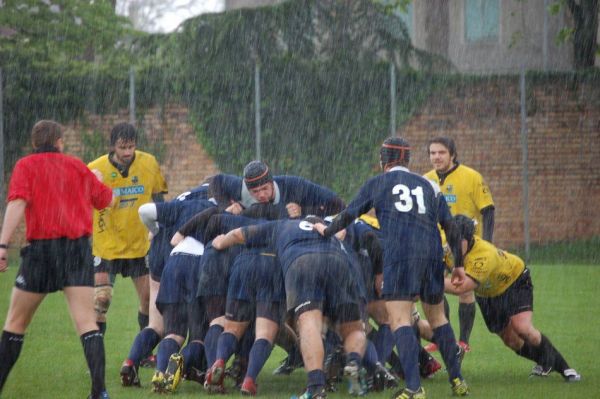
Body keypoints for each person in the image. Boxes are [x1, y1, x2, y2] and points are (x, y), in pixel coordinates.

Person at [314, 136, 469, 399]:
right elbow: (450, 226)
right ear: (407, 160)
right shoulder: (429, 184)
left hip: (400, 253)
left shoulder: (379, 183)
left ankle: (413, 388)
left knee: (398, 319)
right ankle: (458, 381)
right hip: (431, 253)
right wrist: (460, 265)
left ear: (383, 161)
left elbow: (349, 213)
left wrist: (327, 230)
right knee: (438, 318)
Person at [0, 120, 113, 399]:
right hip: (76, 251)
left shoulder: (26, 165)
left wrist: (2, 244)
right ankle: (99, 392)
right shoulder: (77, 166)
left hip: (42, 251)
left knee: (15, 323)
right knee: (87, 322)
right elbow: (106, 201)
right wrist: (95, 180)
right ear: (60, 141)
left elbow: (17, 203)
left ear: (35, 143)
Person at [212, 216, 367, 399]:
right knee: (353, 328)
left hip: (302, 262)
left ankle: (316, 388)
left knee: (309, 322)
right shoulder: (325, 230)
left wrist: (222, 241)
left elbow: (239, 234)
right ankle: (354, 363)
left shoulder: (283, 225)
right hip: (338, 264)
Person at [445, 215, 581, 382]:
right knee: (511, 341)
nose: (454, 247)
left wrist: (429, 285)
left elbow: (462, 287)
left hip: (514, 281)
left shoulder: (484, 254)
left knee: (523, 328)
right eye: (451, 241)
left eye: (458, 242)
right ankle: (545, 362)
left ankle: (567, 369)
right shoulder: (447, 246)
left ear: (469, 238)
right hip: (488, 294)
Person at [87, 122, 168, 340]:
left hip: (139, 244)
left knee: (149, 299)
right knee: (101, 299)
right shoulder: (95, 169)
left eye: (131, 147)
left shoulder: (149, 163)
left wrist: (161, 229)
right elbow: (81, 203)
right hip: (106, 245)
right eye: (122, 147)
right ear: (112, 146)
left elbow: (159, 199)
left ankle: (145, 350)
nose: (127, 152)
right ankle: (96, 353)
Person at [424, 136, 495, 353]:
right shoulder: (425, 180)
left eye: (441, 152)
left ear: (452, 154)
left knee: (465, 291)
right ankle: (441, 337)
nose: (436, 157)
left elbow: (488, 210)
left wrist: (488, 243)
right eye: (433, 153)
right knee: (433, 289)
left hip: (466, 245)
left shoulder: (472, 177)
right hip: (436, 244)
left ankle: (464, 341)